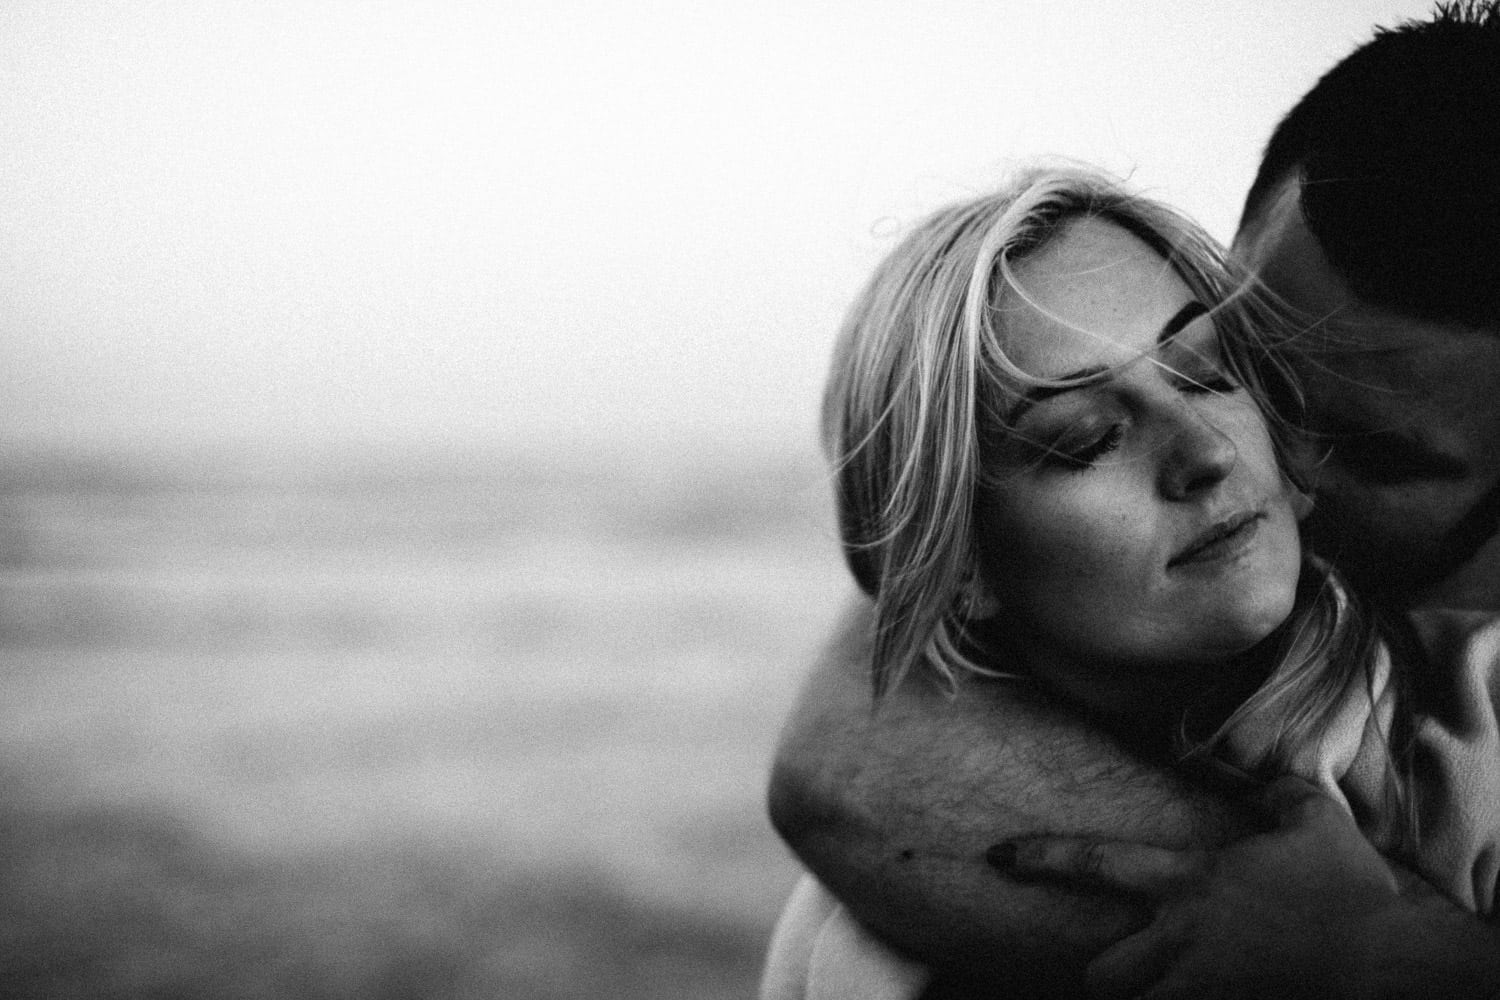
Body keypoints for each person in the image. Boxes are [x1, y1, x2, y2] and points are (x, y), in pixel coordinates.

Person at [766, 3, 1500, 997]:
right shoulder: (861, 947)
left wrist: (1395, 954)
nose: (1246, 456)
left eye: (1202, 373)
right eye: (1260, 373)